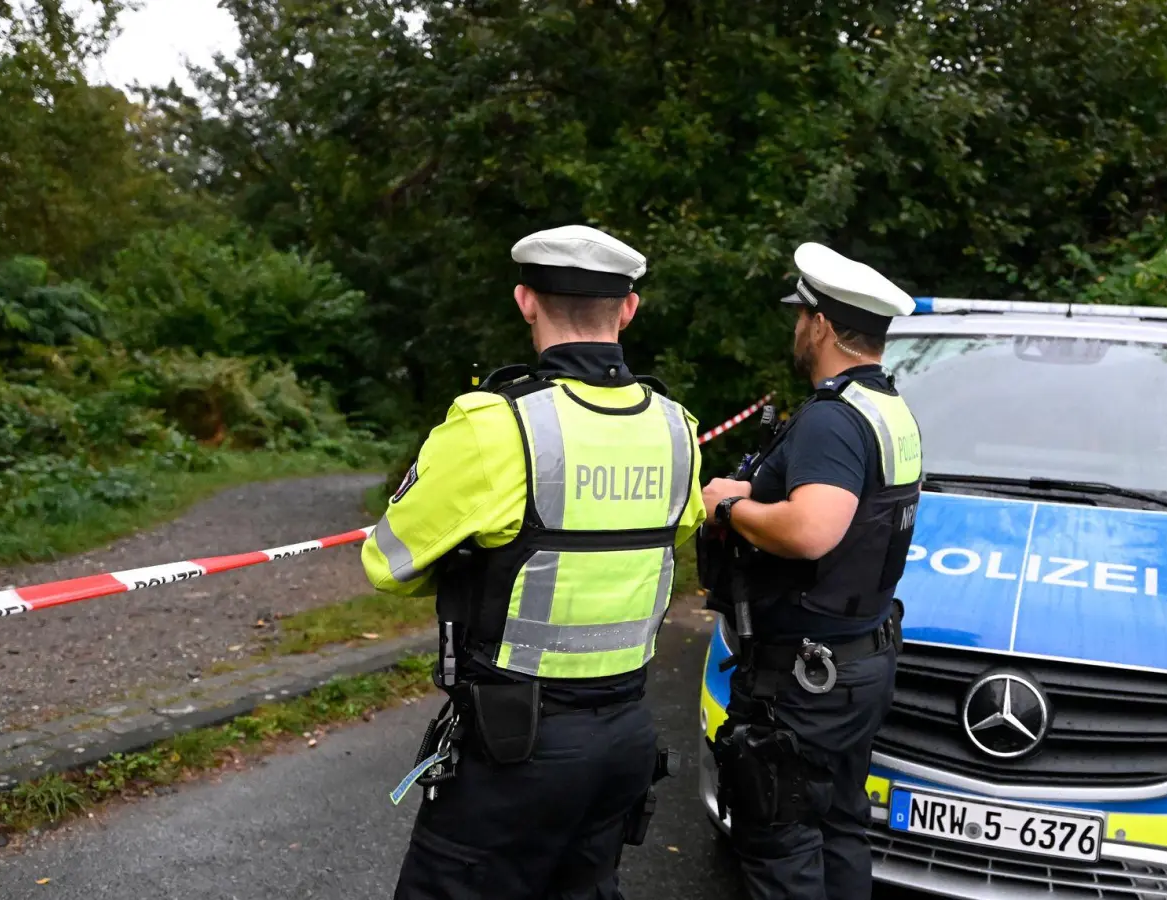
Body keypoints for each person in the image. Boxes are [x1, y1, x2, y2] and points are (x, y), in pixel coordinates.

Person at [362, 224, 706, 900]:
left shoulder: (494, 424)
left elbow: (387, 561)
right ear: (628, 309)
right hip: (624, 742)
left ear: (525, 301)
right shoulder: (678, 427)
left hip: (513, 750)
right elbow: (676, 536)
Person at [699, 242, 923, 900]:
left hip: (805, 678)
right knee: (838, 827)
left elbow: (812, 529)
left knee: (780, 841)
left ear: (820, 324)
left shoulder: (832, 419)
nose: (796, 329)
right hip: (856, 660)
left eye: (801, 317)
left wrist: (731, 503)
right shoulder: (890, 408)